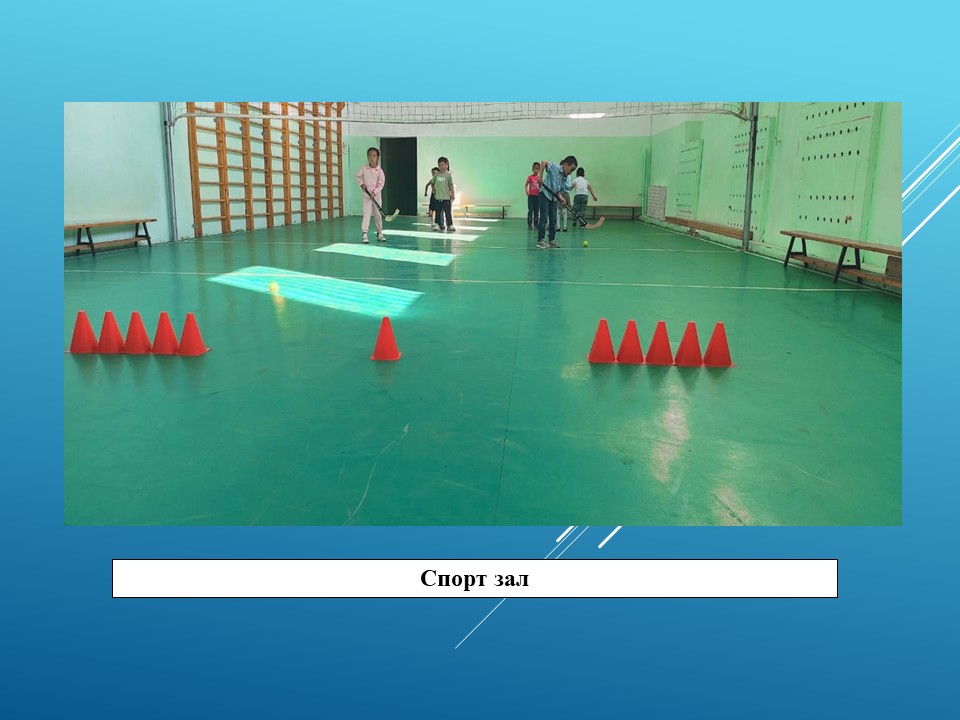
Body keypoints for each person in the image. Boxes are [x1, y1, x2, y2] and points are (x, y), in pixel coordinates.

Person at [536, 155, 578, 248]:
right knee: (544, 218)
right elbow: (543, 162)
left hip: (553, 197)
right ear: (566, 164)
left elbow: (557, 190)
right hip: (545, 194)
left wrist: (561, 198)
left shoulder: (564, 177)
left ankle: (552, 240)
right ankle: (540, 240)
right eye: (571, 169)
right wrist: (540, 176)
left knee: (553, 220)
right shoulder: (555, 167)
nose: (571, 172)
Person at [354, 146, 386, 243]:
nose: (371, 158)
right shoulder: (364, 168)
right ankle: (364, 233)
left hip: (376, 196)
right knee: (366, 214)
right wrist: (362, 184)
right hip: (367, 196)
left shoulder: (380, 171)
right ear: (367, 157)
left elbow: (381, 184)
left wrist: (375, 192)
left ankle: (379, 233)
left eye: (374, 156)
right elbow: (357, 176)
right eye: (370, 156)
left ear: (377, 157)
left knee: (378, 215)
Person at [427, 157, 456, 232]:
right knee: (438, 212)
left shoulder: (448, 175)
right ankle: (437, 224)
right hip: (438, 197)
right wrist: (433, 189)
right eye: (439, 165)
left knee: (448, 212)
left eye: (442, 165)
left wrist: (453, 194)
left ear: (446, 165)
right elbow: (432, 183)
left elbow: (451, 185)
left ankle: (450, 225)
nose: (441, 167)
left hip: (446, 198)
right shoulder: (437, 175)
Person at [524, 162, 541, 230]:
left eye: (537, 168)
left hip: (538, 196)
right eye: (535, 168)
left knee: (536, 211)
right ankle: (529, 224)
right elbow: (526, 185)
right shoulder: (530, 177)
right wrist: (527, 191)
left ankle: (536, 224)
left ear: (539, 169)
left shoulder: (539, 178)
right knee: (530, 210)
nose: (536, 170)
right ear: (532, 169)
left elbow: (541, 186)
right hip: (531, 196)